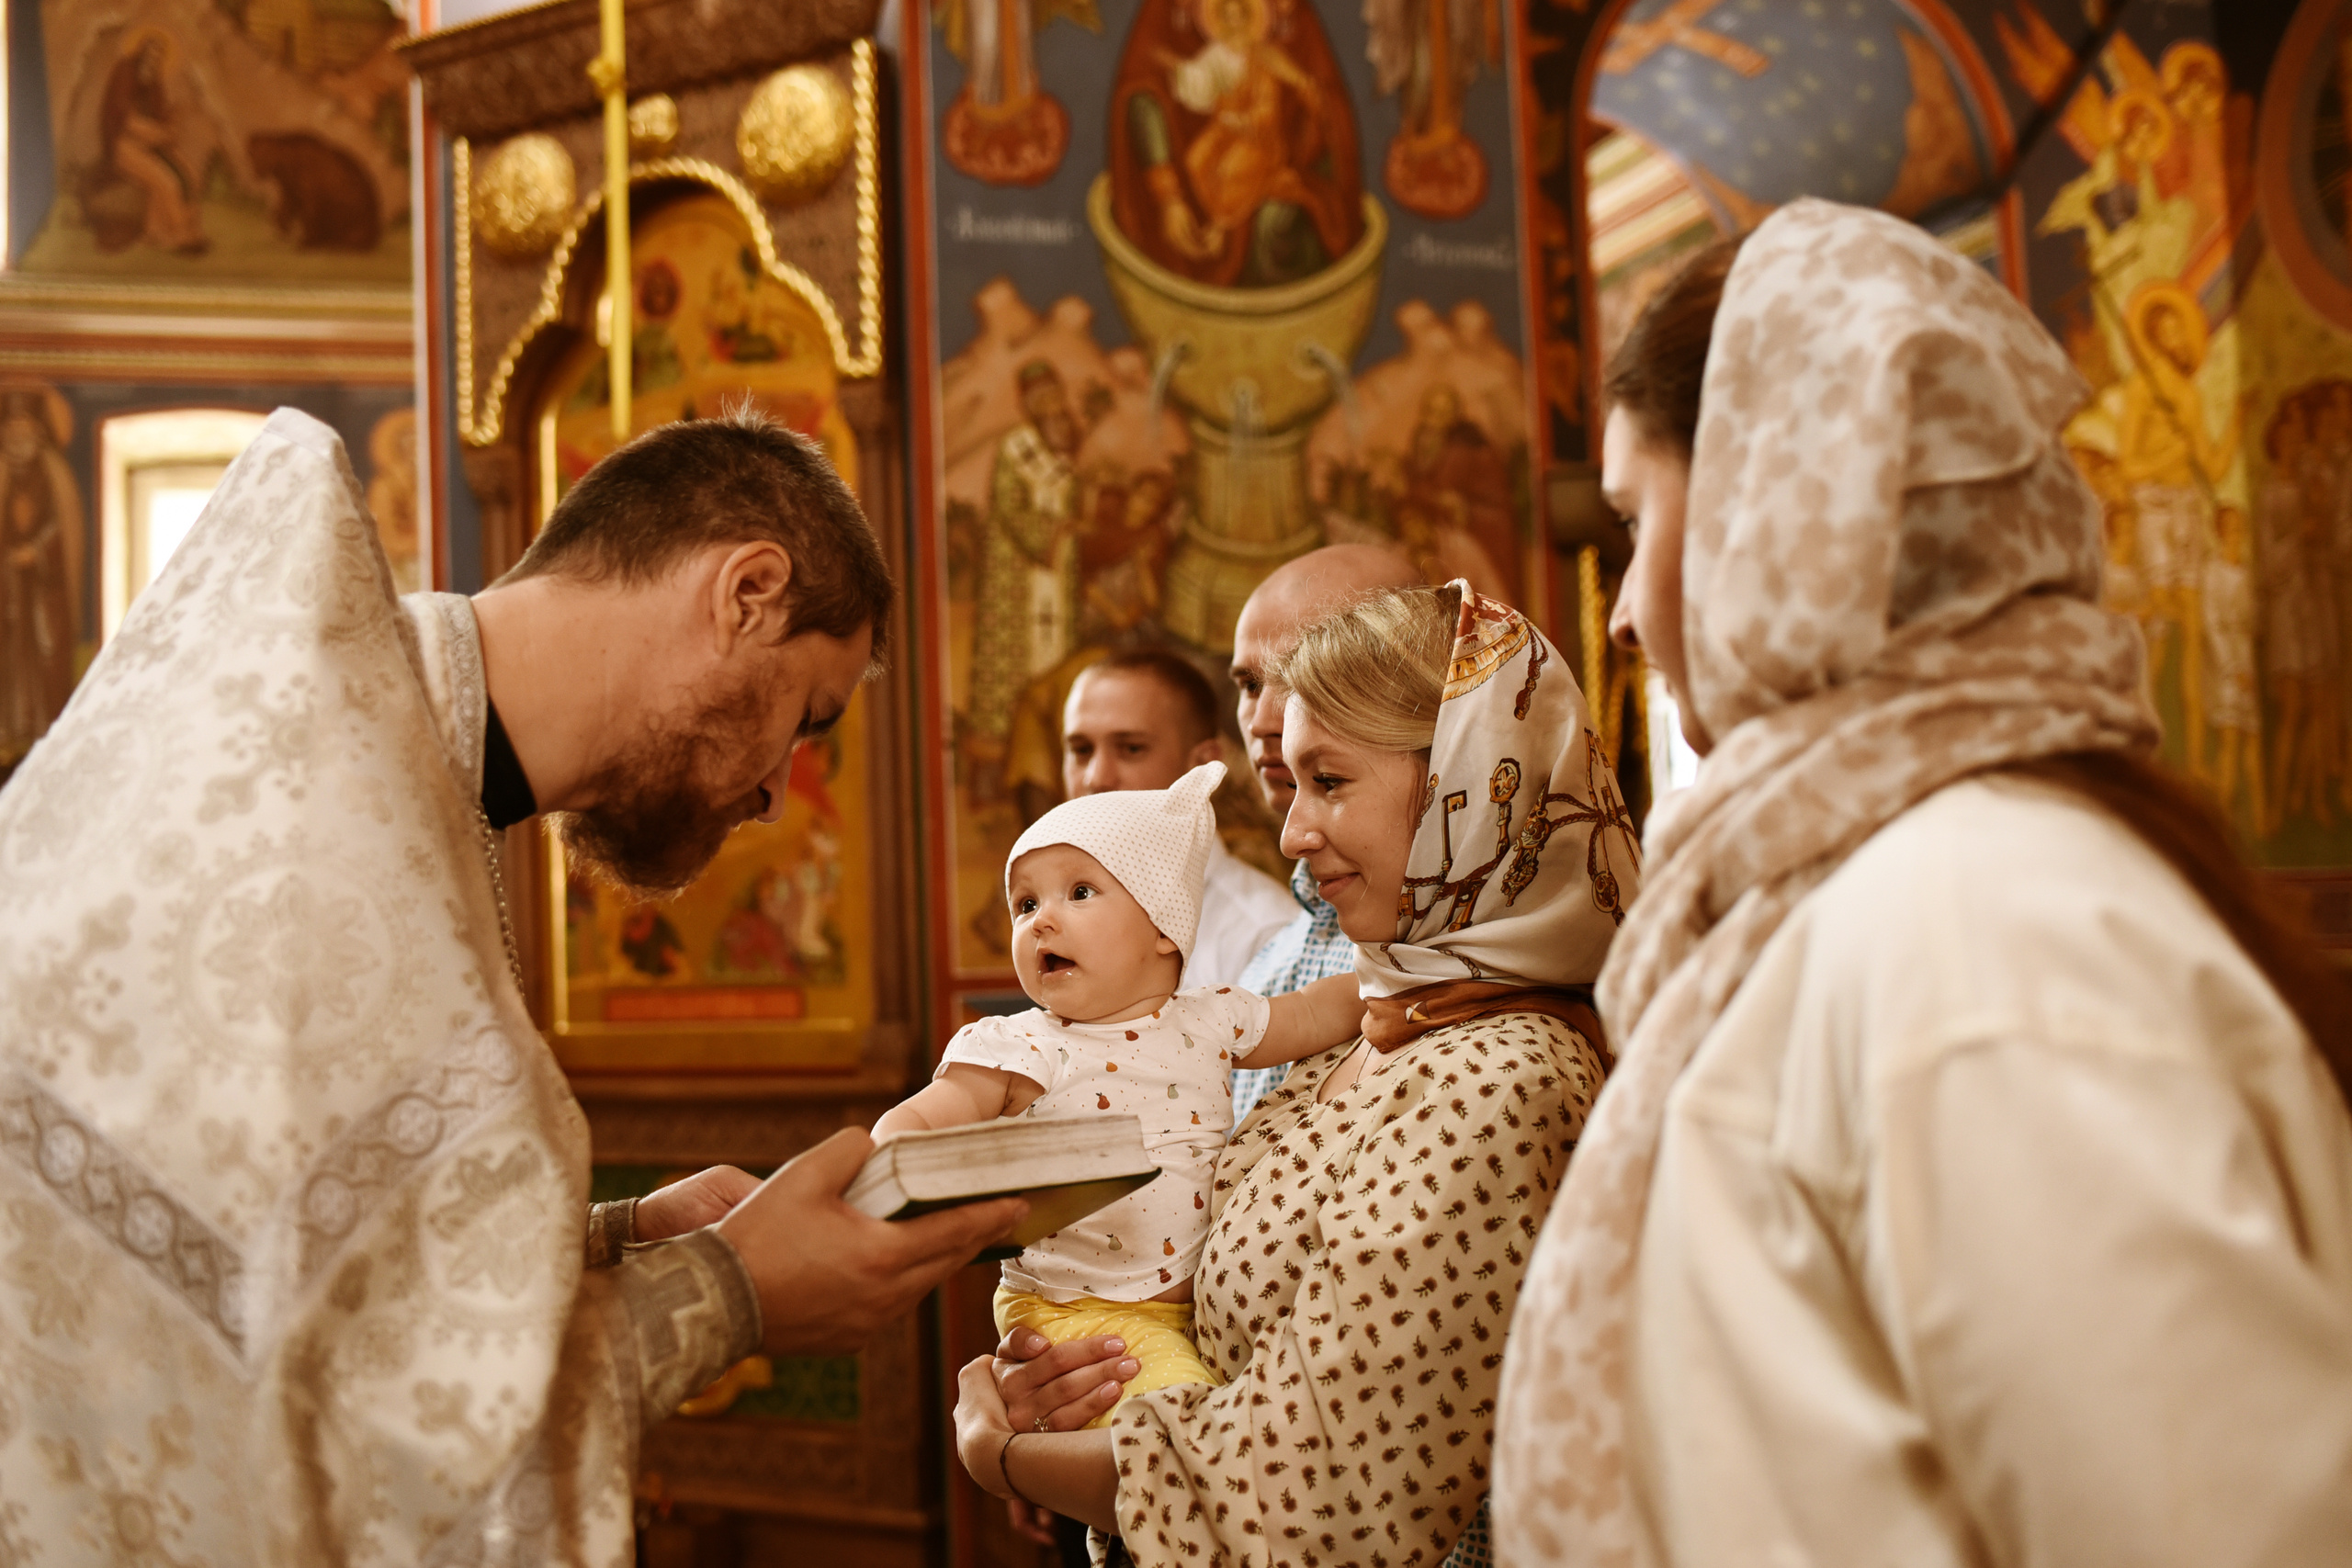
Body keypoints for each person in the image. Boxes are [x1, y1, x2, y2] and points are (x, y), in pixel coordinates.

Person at [0, 407, 1024, 1563]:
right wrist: (730, 1292)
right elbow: (349, 1445)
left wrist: (610, 1239)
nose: (778, 794)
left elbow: (267, 1248)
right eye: (805, 717)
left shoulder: (373, 764)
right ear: (748, 590)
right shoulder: (315, 821)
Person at [1495, 200, 2352, 1568]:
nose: (1619, 612)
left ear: (1773, 517)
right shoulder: (1887, 887)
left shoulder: (1981, 924)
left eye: (1633, 517)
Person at [952, 581, 1635, 1567]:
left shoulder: (1498, 1079)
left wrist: (1005, 1455)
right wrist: (1081, 1377)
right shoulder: (1385, 1019)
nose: (1292, 835)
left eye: (1332, 782)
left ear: (1461, 787)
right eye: (1296, 783)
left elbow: (1301, 1498)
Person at [876, 762, 1360, 1416]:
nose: (1042, 921)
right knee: (1186, 1424)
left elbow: (1310, 1013)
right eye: (1025, 903)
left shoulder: (1211, 1017)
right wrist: (894, 1161)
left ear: (1164, 926)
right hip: (1075, 1313)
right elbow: (922, 1123)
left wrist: (1391, 976)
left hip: (1189, 1308)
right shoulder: (1022, 1046)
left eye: (1078, 892)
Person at [1226, 542, 1421, 1122]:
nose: (1263, 721)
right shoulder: (1270, 962)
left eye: (1294, 675)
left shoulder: (1461, 973)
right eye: (1247, 686)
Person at [1061, 648, 1294, 987]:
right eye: (1082, 750)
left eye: (1131, 748)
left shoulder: (1264, 936)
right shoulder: (1056, 919)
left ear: (1200, 765)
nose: (1096, 778)